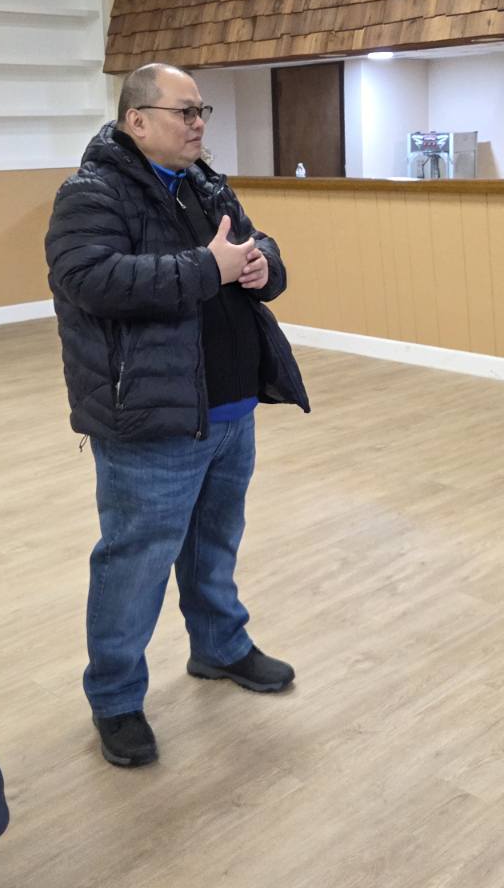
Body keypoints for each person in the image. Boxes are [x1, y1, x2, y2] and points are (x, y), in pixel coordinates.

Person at [45, 62, 310, 768]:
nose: (198, 124)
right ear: (137, 121)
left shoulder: (204, 183)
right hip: (152, 420)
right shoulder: (90, 193)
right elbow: (90, 280)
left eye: (202, 112)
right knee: (134, 564)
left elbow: (253, 245)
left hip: (230, 409)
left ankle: (219, 646)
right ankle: (115, 698)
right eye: (184, 112)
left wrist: (263, 265)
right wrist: (208, 268)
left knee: (215, 544)